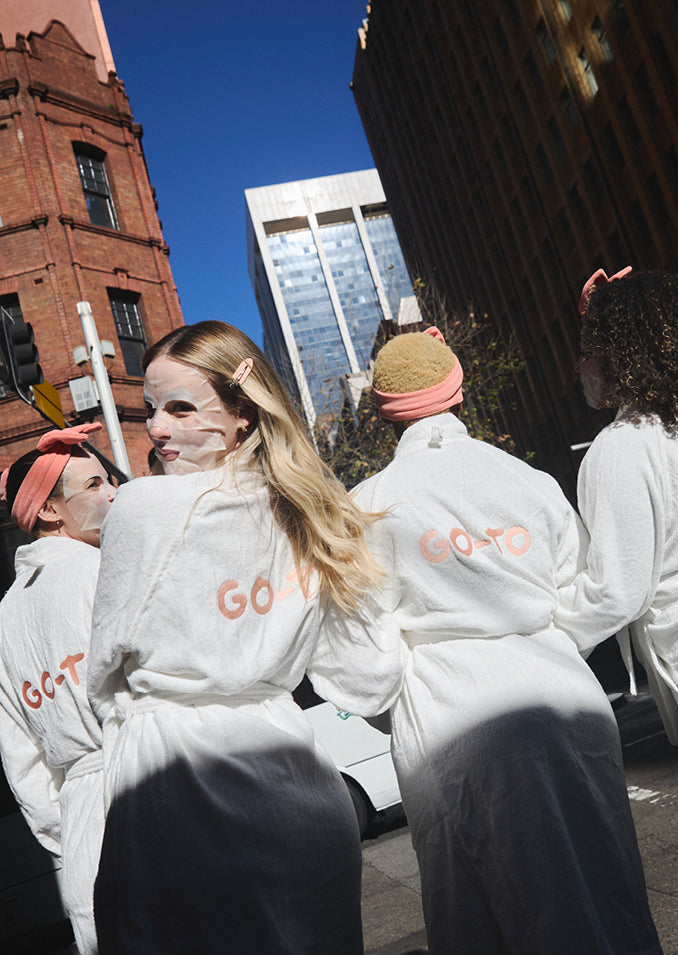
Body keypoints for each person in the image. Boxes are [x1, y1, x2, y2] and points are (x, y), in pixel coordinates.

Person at [87, 320, 405, 955]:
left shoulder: (144, 509)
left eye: (181, 408)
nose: (157, 429)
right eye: (151, 409)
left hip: (177, 784)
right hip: (299, 786)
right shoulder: (312, 513)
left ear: (240, 415)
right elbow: (366, 678)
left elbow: (103, 672)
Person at [352, 326, 661, 955]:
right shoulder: (528, 480)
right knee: (606, 879)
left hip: (447, 715)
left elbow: (362, 653)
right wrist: (548, 643)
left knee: (479, 910)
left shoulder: (368, 506)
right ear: (459, 394)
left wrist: (392, 705)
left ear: (385, 414)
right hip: (563, 697)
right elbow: (588, 590)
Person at [558, 267, 678, 851]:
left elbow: (616, 589)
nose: (581, 367)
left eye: (587, 350)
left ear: (620, 353)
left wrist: (544, 630)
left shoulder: (622, 447)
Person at [0, 423, 116, 955]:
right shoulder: (105, 570)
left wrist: (66, 831)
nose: (112, 493)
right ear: (49, 510)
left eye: (108, 480)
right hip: (155, 784)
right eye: (93, 486)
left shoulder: (6, 616)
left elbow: (19, 753)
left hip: (81, 825)